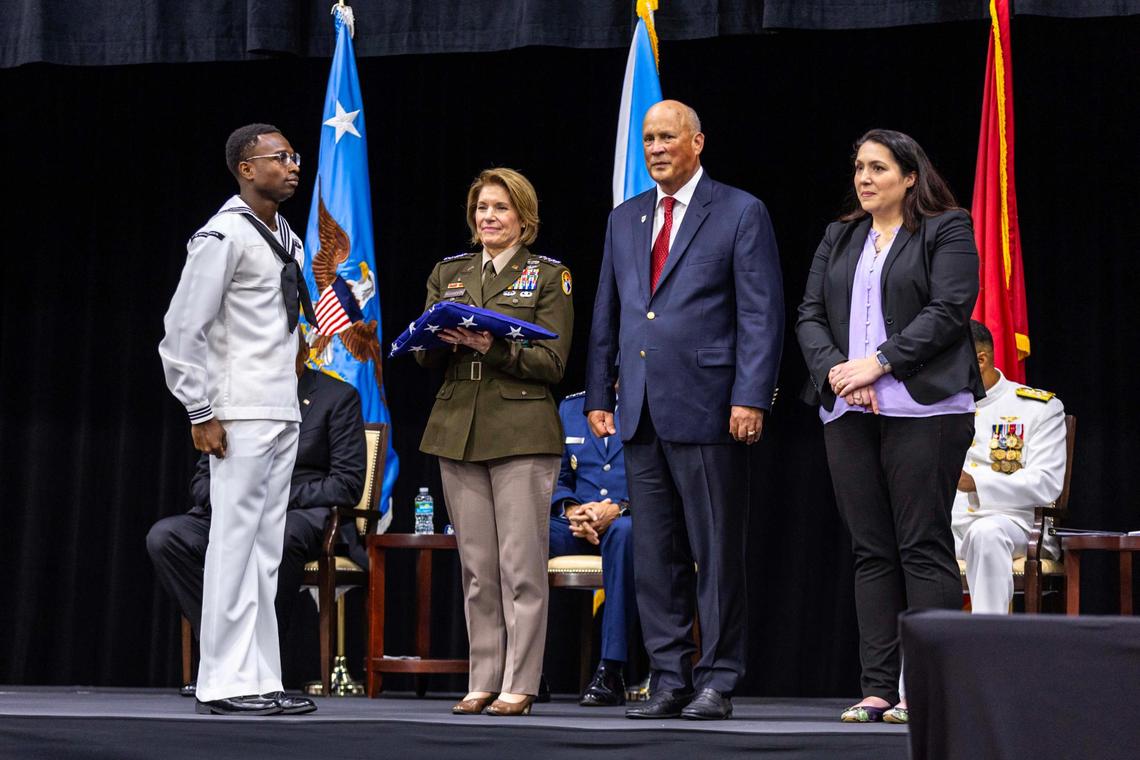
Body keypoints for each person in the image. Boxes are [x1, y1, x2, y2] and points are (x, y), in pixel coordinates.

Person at [585, 100, 784, 721]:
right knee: (653, 554)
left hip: (708, 407)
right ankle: (669, 678)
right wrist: (597, 393)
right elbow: (608, 313)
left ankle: (716, 679)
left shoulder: (739, 210)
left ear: (698, 141)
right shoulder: (625, 218)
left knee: (715, 552)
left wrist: (750, 395)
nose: (655, 148)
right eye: (647, 139)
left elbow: (760, 313)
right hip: (639, 407)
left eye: (667, 136)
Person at [795, 128, 985, 725]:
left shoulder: (947, 227)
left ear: (909, 175)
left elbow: (950, 308)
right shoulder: (839, 235)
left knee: (921, 546)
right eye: (858, 167)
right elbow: (809, 314)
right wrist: (838, 374)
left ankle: (924, 688)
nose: (864, 178)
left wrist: (878, 365)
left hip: (924, 407)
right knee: (871, 551)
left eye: (878, 167)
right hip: (847, 409)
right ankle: (878, 688)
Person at [158, 123, 317, 716]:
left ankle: (261, 675)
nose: (293, 165)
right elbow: (181, 332)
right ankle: (222, 681)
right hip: (239, 410)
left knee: (266, 549)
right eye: (280, 158)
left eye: (295, 156)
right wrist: (201, 409)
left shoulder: (290, 238)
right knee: (231, 543)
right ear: (246, 168)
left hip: (280, 406)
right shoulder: (223, 234)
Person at [415, 168, 574, 717]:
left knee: (520, 566)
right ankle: (483, 677)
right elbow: (425, 359)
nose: (488, 217)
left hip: (521, 431)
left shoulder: (548, 277)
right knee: (478, 567)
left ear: (523, 218)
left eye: (501, 208)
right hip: (457, 428)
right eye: (482, 207)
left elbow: (553, 365)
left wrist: (492, 345)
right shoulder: (450, 272)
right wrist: (433, 338)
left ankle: (520, 682)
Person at [148, 336, 366, 695]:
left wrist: (273, 499)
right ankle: (229, 654)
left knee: (278, 537)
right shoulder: (236, 396)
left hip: (298, 515)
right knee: (167, 537)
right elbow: (202, 481)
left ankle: (259, 664)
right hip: (234, 508)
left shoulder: (336, 398)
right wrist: (236, 499)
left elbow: (345, 484)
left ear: (303, 349)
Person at [954, 320, 1065, 614]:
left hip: (1014, 525)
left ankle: (987, 651)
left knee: (986, 534)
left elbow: (1046, 483)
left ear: (981, 359)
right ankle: (916, 659)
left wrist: (976, 482)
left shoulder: (1037, 408)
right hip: (948, 528)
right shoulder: (936, 407)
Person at [548, 390, 636, 707]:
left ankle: (611, 670)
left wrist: (619, 510)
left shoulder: (651, 401)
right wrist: (573, 510)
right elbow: (557, 475)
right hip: (578, 523)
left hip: (628, 522)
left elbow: (662, 476)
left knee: (624, 534)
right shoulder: (571, 407)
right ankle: (525, 670)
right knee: (526, 535)